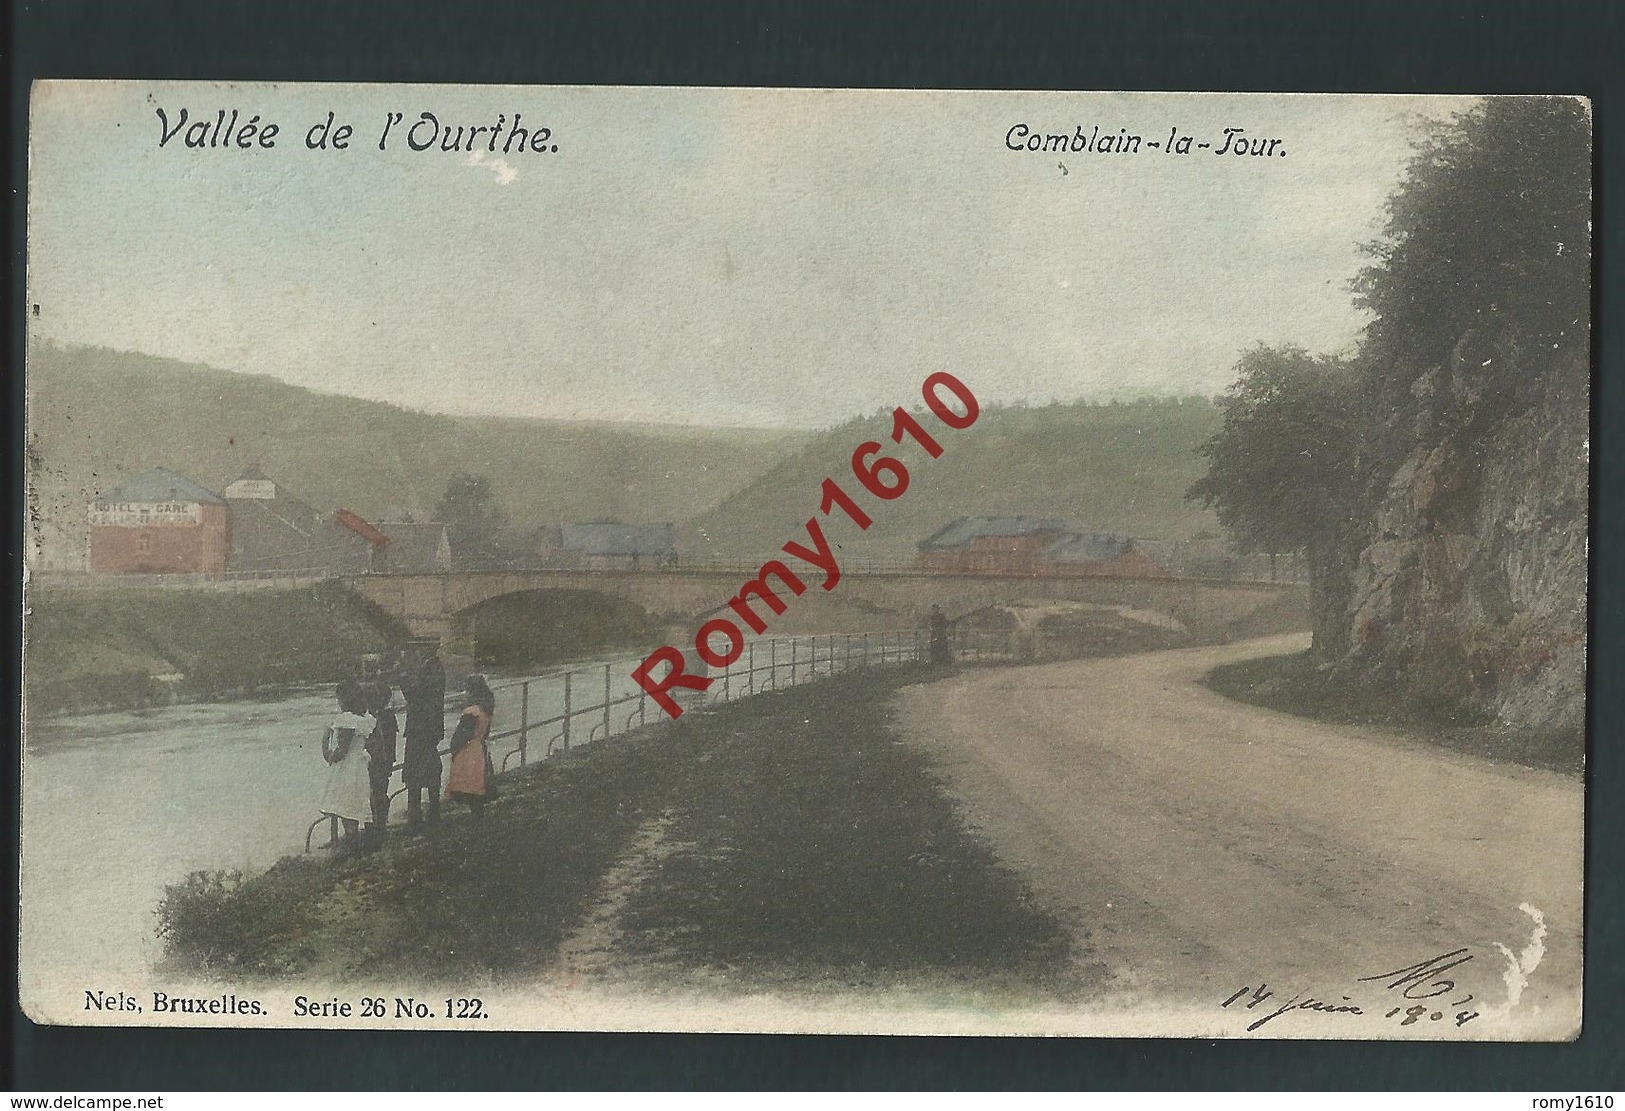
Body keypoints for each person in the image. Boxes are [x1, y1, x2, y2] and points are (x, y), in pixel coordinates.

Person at [317, 679, 373, 850]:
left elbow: (341, 751)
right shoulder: (365, 718)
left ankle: (352, 847)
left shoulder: (346, 719)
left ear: (345, 700)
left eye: (339, 699)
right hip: (359, 766)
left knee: (346, 808)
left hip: (347, 769)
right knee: (353, 807)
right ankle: (355, 845)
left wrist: (326, 743)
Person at [399, 639, 446, 829]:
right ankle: (429, 812)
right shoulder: (434, 667)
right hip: (429, 726)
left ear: (429, 648)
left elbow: (416, 696)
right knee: (427, 768)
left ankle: (417, 815)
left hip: (421, 727)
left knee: (415, 769)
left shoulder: (431, 668)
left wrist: (402, 678)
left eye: (420, 648)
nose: (417, 651)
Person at [445, 674, 497, 818]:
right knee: (478, 782)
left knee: (469, 782)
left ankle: (476, 814)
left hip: (469, 750)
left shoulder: (471, 712)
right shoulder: (486, 709)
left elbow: (462, 734)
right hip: (480, 747)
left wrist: (454, 747)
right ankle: (478, 813)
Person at [364, 681, 399, 836]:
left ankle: (378, 827)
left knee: (376, 794)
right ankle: (379, 825)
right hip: (382, 761)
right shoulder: (386, 716)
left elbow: (384, 743)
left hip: (378, 761)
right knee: (378, 793)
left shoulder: (381, 717)